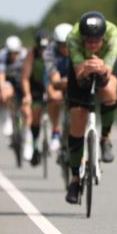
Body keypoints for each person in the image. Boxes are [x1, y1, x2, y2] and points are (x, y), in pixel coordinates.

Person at [64, 11, 117, 204]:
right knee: (77, 118)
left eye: (96, 41)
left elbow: (109, 69)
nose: (91, 45)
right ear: (82, 37)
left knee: (109, 91)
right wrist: (86, 69)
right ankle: (74, 179)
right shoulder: (72, 38)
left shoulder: (114, 36)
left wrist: (102, 67)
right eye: (87, 41)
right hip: (81, 67)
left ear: (103, 37)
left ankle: (105, 138)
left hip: (106, 64)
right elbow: (79, 72)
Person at [41, 22, 74, 153]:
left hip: (72, 76)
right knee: (54, 97)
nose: (65, 48)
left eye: (68, 44)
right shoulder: (49, 52)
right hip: (54, 77)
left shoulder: (79, 48)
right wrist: (62, 84)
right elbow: (55, 80)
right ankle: (56, 130)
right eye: (61, 45)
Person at [22, 30, 53, 165]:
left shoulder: (55, 52)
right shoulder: (31, 54)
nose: (43, 51)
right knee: (35, 114)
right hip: (35, 86)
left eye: (46, 48)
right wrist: (27, 95)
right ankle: (34, 144)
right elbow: (25, 77)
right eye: (41, 48)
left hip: (52, 85)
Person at [0, 35, 29, 143]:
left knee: (26, 108)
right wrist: (1, 90)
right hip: (9, 80)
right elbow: (1, 76)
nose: (14, 55)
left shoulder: (25, 54)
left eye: (16, 53)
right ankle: (9, 118)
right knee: (5, 93)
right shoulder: (2, 55)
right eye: (11, 53)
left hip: (22, 79)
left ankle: (25, 133)